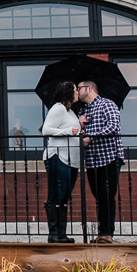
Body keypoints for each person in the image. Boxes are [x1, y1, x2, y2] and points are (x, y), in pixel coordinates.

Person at [77, 80, 124, 244]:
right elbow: (80, 134)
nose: (77, 91)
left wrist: (92, 136)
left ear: (89, 88)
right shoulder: (83, 110)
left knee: (107, 195)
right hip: (91, 160)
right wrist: (80, 126)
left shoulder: (107, 104)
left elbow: (112, 126)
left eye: (79, 88)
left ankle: (106, 233)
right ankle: (102, 233)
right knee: (98, 196)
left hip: (109, 157)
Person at [41, 80, 81, 243]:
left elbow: (72, 131)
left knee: (64, 196)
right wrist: (67, 131)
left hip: (71, 160)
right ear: (68, 93)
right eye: (75, 90)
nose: (78, 92)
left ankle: (61, 234)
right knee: (57, 195)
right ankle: (55, 234)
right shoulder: (58, 109)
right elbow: (46, 130)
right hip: (58, 157)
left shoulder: (70, 111)